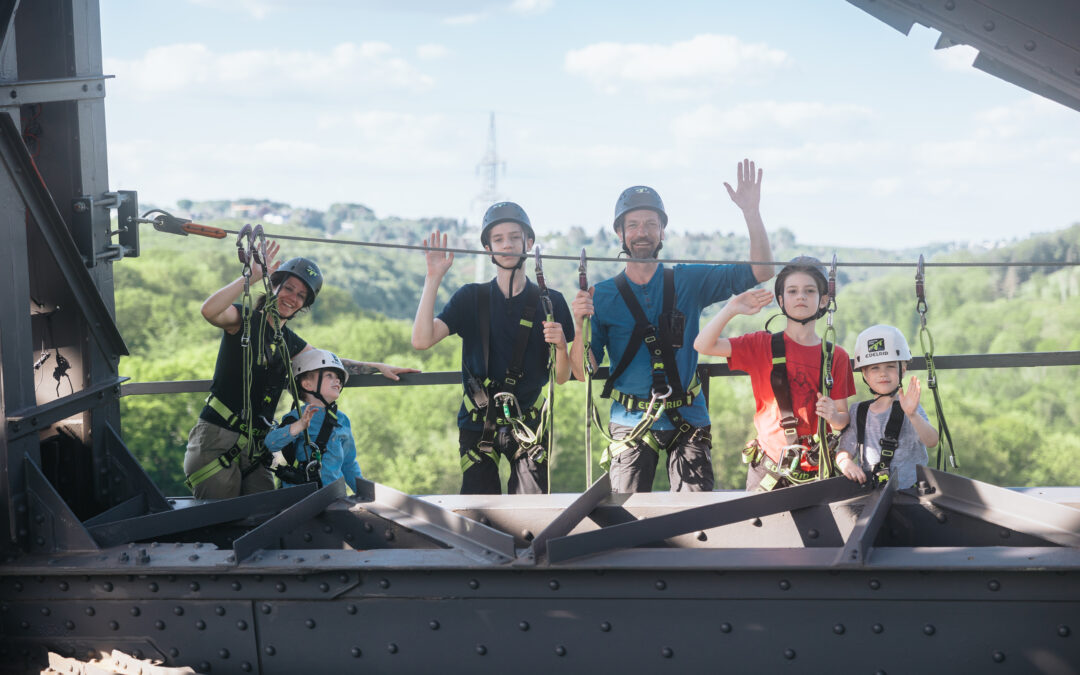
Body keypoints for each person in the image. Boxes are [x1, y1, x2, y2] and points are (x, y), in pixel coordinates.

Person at [570, 159, 774, 493]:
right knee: (627, 519)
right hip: (631, 420)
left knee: (695, 518)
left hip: (688, 416)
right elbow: (583, 371)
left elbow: (761, 271)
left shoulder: (689, 280)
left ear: (662, 232)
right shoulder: (602, 295)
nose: (641, 232)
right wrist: (579, 327)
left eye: (651, 224)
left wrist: (751, 212)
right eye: (633, 224)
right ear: (619, 233)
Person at [184, 242, 417, 499]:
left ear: (303, 305)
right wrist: (251, 276)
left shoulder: (288, 340)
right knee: (218, 521)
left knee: (263, 517)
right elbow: (209, 310)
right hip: (217, 437)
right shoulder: (244, 320)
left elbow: (325, 362)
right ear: (274, 287)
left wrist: (376, 367)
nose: (292, 298)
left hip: (256, 446)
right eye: (288, 288)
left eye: (300, 296)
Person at [412, 202, 574, 494]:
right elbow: (422, 340)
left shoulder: (551, 302)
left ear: (529, 242)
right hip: (477, 424)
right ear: (488, 248)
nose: (507, 245)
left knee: (532, 513)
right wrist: (433, 278)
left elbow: (562, 377)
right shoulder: (470, 298)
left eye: (514, 237)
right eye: (498, 239)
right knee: (479, 516)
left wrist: (562, 346)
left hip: (529, 424)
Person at [694, 256, 855, 492]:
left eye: (809, 291)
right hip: (769, 469)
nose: (801, 296)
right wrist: (731, 309)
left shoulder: (835, 356)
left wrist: (833, 416)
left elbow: (843, 420)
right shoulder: (761, 345)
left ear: (823, 301)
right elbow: (703, 345)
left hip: (817, 467)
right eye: (792, 291)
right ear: (781, 299)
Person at [835, 324, 938, 488]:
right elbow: (844, 450)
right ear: (865, 375)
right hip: (873, 494)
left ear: (902, 370)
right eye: (875, 368)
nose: (883, 373)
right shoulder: (859, 411)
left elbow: (932, 441)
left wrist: (912, 415)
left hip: (909, 493)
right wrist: (845, 462)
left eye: (890, 366)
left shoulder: (909, 408)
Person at [264, 349, 363, 490]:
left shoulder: (342, 420)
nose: (337, 381)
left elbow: (348, 464)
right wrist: (299, 426)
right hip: (301, 497)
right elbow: (271, 443)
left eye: (339, 378)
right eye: (329, 375)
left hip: (333, 496)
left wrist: (365, 494)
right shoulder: (297, 417)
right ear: (307, 385)